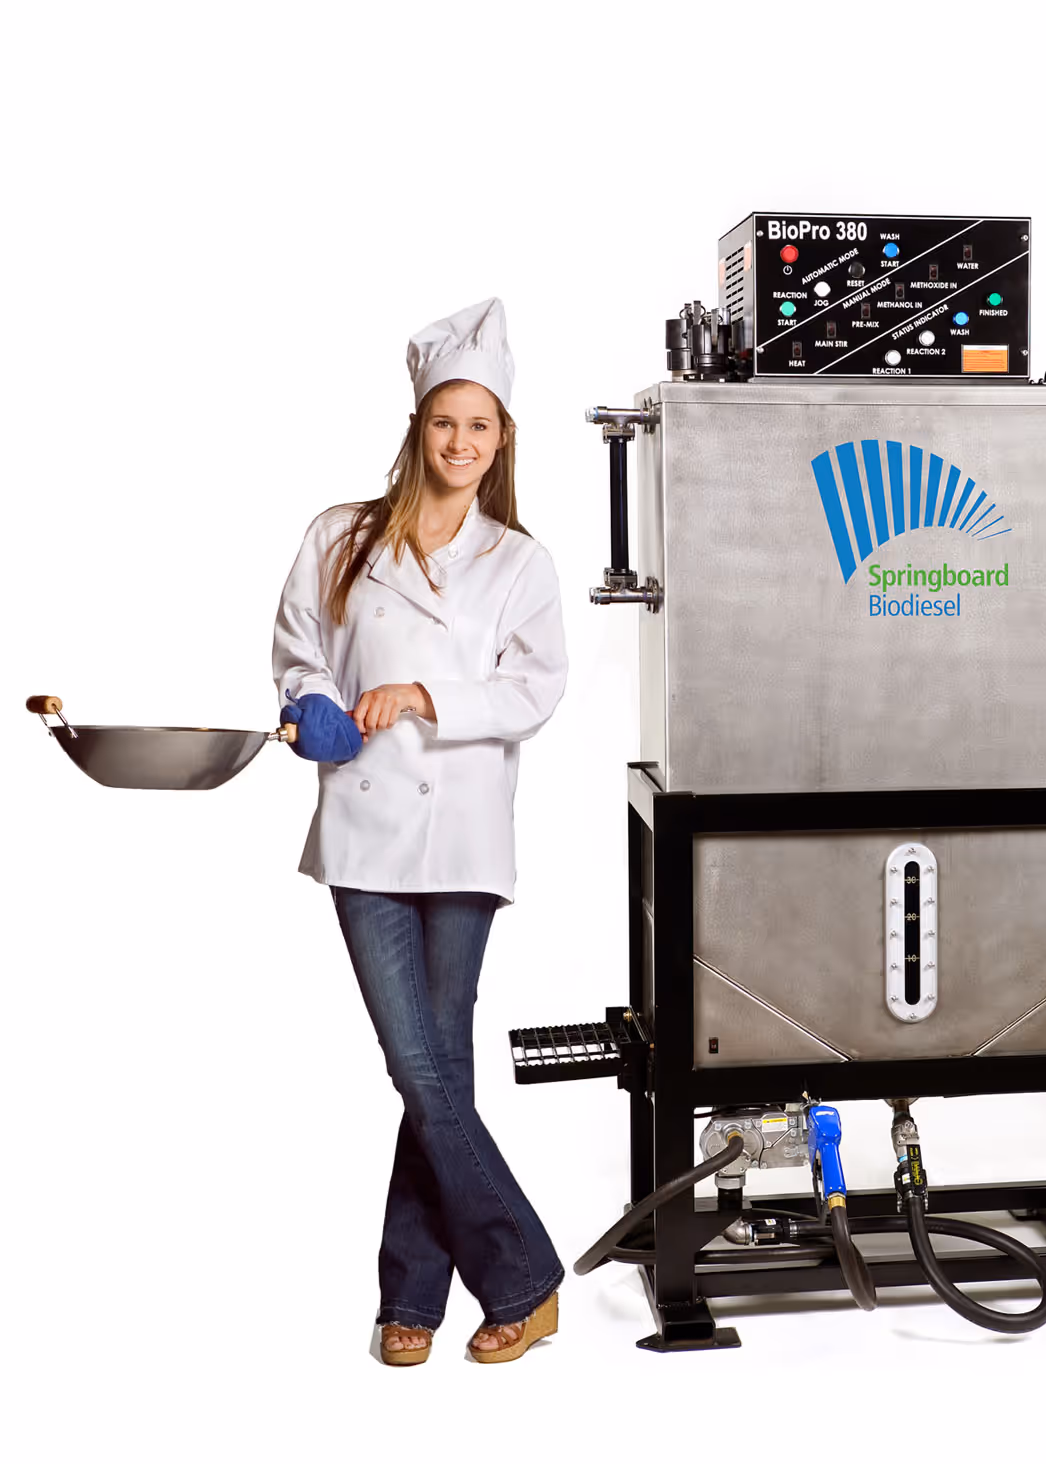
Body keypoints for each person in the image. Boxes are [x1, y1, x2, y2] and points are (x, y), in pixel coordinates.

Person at [271, 298, 567, 1366]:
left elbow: (537, 688)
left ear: (501, 440)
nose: (460, 444)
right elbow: (299, 654)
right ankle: (525, 1276)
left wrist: (427, 696)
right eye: (445, 424)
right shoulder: (338, 538)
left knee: (433, 1072)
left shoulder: (516, 562)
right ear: (418, 429)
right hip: (362, 832)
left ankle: (412, 1298)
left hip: (468, 834)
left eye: (479, 427)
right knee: (423, 1068)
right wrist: (310, 703)